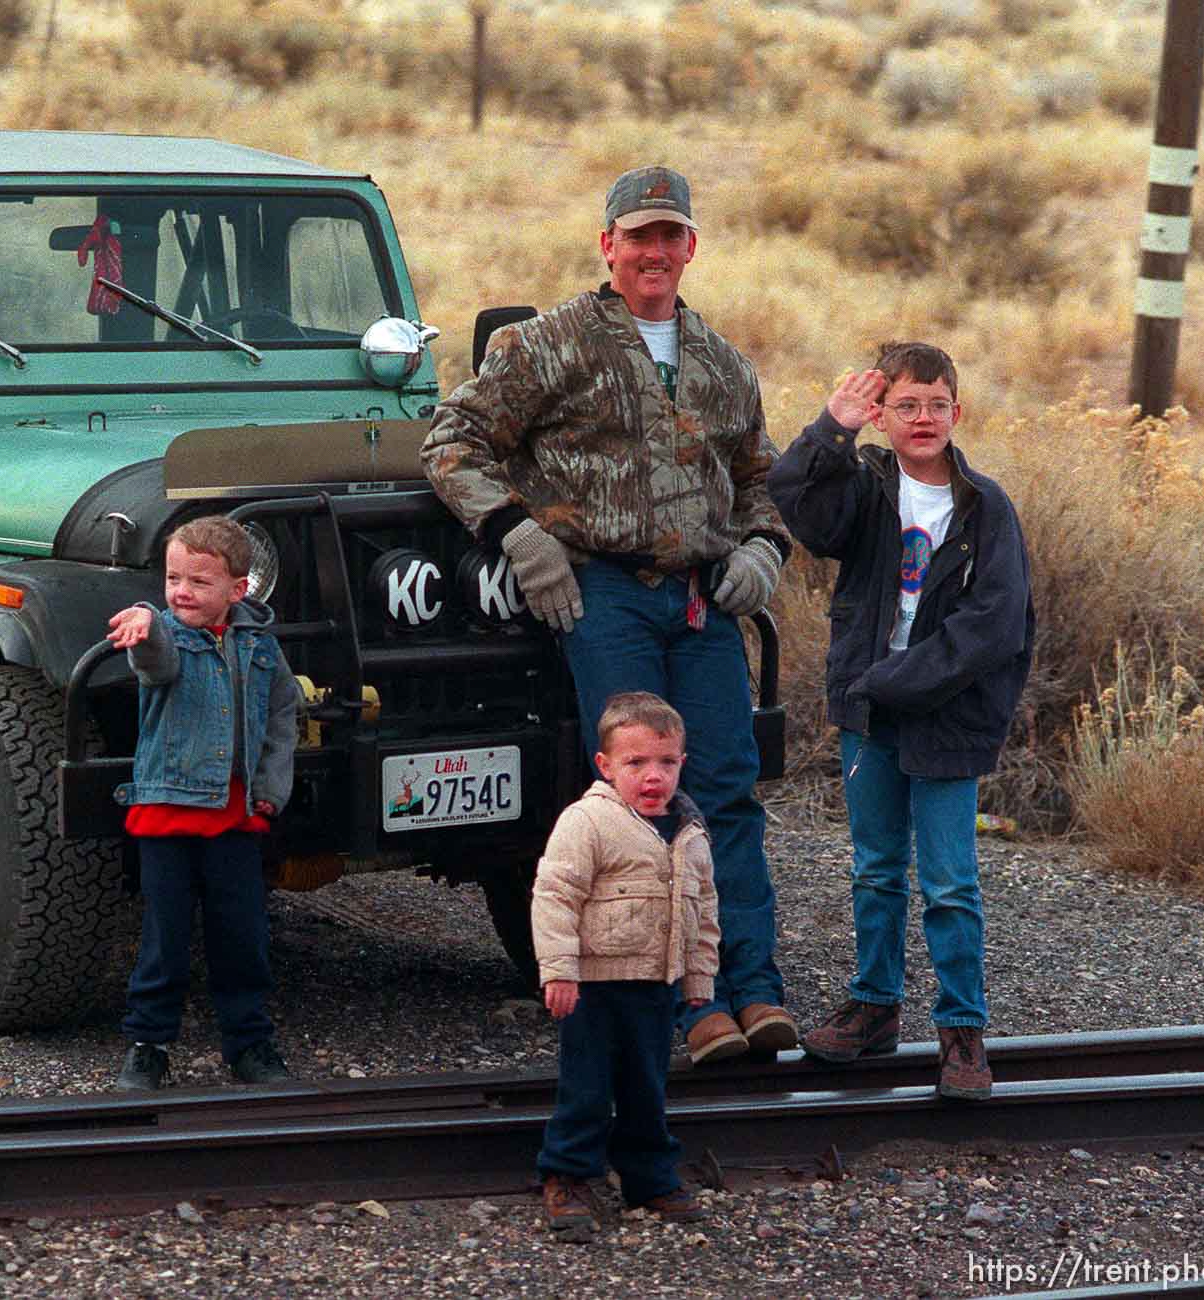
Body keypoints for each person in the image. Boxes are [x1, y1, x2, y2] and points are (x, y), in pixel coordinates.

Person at [422, 164, 796, 1065]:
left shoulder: (720, 363)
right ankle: (676, 1008)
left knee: (727, 796)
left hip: (700, 603)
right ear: (608, 247)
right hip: (605, 598)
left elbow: (759, 480)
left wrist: (760, 552)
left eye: (670, 237)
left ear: (691, 248)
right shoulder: (552, 345)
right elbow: (451, 439)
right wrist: (519, 535)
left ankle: (752, 991)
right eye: (638, 238)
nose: (654, 253)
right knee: (640, 796)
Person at [766, 342, 1034, 1101]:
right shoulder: (863, 490)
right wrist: (830, 429)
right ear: (882, 415)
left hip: (943, 715)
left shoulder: (987, 508)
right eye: (906, 405)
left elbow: (995, 624)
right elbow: (797, 503)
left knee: (950, 882)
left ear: (959, 411)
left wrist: (895, 681)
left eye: (937, 404)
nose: (924, 418)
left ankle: (962, 1034)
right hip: (870, 713)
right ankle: (875, 1009)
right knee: (876, 870)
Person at [107, 515, 302, 1090]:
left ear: (239, 590)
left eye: (198, 582)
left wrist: (269, 793)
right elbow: (154, 661)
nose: (181, 592)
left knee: (241, 933)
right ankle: (147, 1044)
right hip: (166, 813)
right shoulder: (165, 637)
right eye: (172, 580)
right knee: (164, 938)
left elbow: (282, 716)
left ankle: (250, 1043)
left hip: (236, 816)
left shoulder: (260, 646)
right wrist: (145, 621)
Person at [531, 691, 719, 1238]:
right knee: (587, 1087)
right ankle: (567, 1175)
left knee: (646, 1085)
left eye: (665, 762)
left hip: (654, 985)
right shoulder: (587, 821)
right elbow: (554, 895)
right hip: (591, 985)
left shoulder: (689, 830)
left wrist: (700, 974)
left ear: (682, 762)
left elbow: (704, 908)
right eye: (635, 763)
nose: (652, 775)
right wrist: (560, 970)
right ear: (606, 765)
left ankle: (650, 1177)